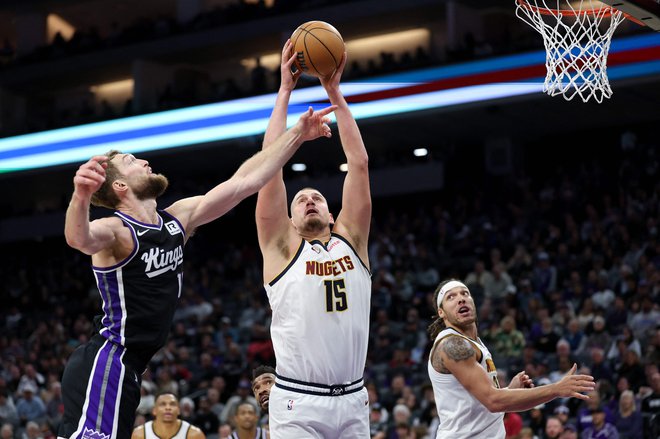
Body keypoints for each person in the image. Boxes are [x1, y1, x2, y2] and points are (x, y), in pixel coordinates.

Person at [59, 104, 337, 439]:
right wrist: (81, 196)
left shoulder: (177, 219)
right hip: (107, 361)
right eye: (133, 161)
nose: (145, 161)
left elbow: (246, 181)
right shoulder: (117, 230)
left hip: (130, 368)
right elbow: (79, 239)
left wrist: (297, 134)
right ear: (120, 186)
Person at [255, 40, 372, 438]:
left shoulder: (352, 240)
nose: (308, 200)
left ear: (332, 214)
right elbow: (268, 169)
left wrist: (333, 92)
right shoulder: (280, 247)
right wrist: (285, 90)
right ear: (287, 218)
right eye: (301, 199)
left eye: (317, 197)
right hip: (298, 402)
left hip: (354, 399)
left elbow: (358, 164)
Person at [427, 279, 596, 438]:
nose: (461, 299)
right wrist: (556, 389)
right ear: (441, 312)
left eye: (465, 293)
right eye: (451, 297)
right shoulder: (452, 345)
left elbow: (486, 404)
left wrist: (508, 390)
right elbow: (493, 401)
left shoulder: (473, 343)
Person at [131, 392, 205, 439]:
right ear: (154, 410)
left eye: (172, 404)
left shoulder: (194, 434)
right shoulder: (140, 434)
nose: (168, 408)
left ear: (179, 410)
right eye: (162, 404)